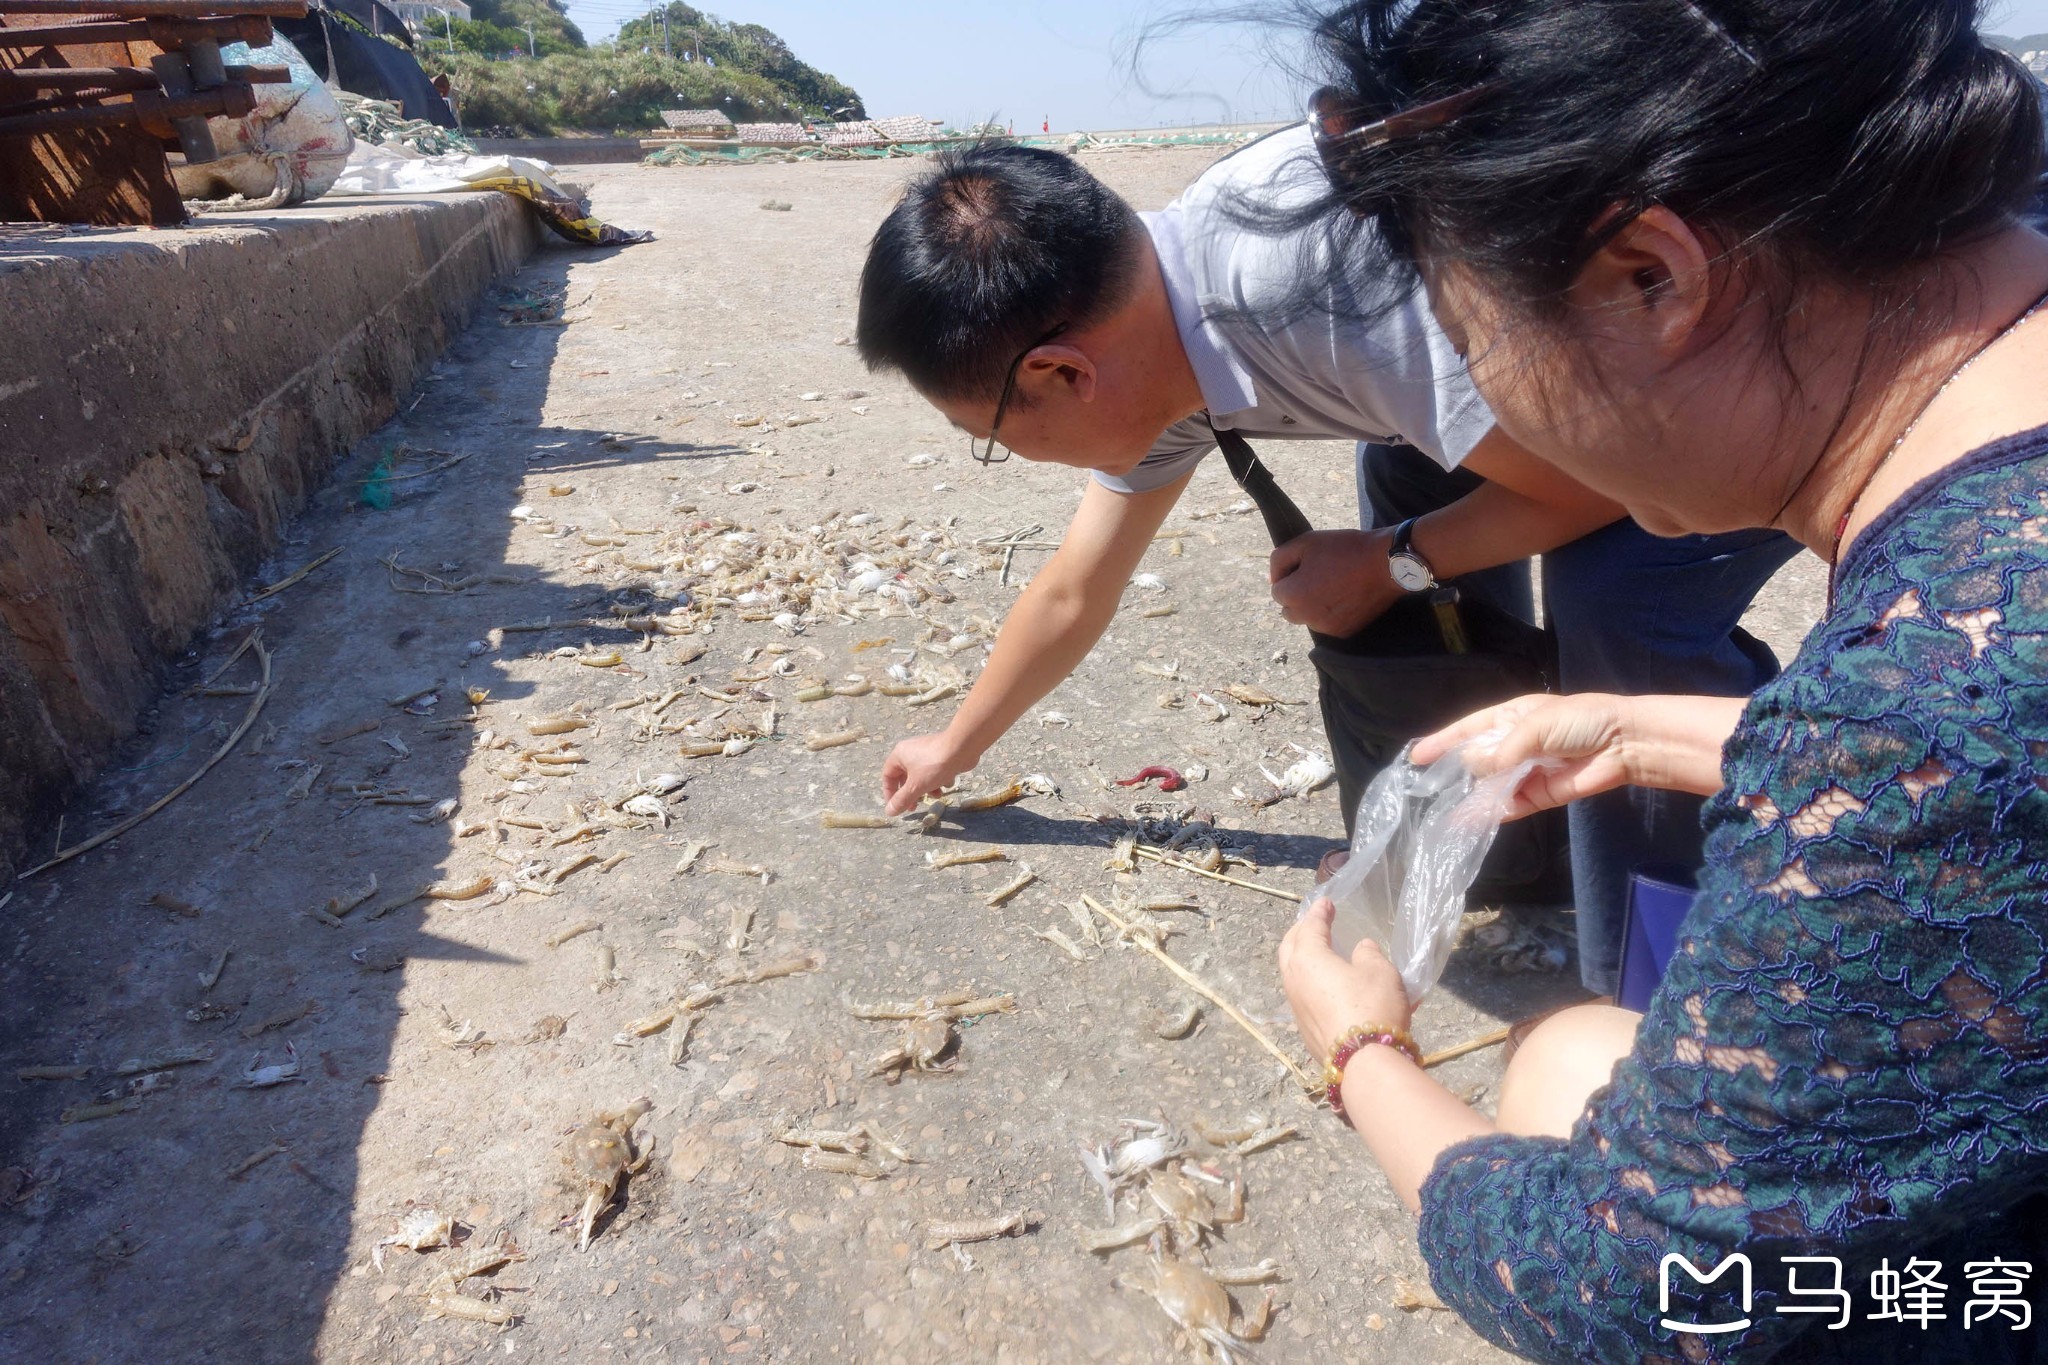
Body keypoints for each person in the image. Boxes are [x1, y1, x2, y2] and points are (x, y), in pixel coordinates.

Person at [1273, 0, 2048, 1357]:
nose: (1492, 406)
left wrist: (1364, 1054)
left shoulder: (1905, 735)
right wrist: (1642, 726)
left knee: (1566, 1077)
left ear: (1650, 275)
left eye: (1472, 339)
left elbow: (1648, 1292)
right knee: (1576, 1053)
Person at [854, 131, 1797, 990]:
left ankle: (1678, 975)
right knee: (1408, 464)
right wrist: (956, 745)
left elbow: (1601, 485)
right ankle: (1499, 835)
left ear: (1062, 373)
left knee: (1621, 602)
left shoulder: (1324, 306)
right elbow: (1075, 587)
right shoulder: (1143, 320)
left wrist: (1394, 564)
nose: (1005, 455)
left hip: (1751, 367)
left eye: (988, 436)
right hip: (1567, 393)